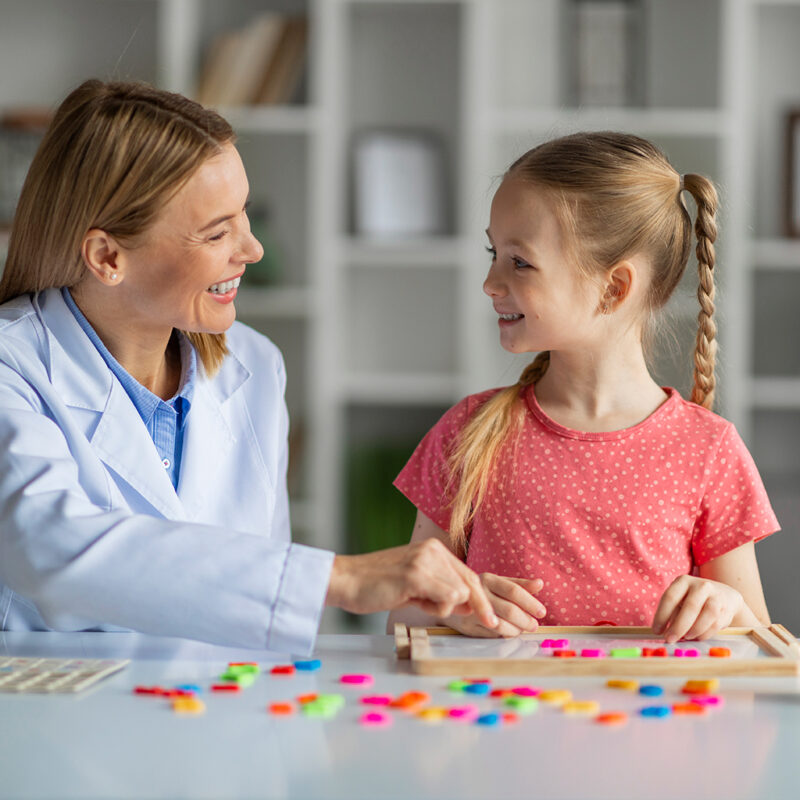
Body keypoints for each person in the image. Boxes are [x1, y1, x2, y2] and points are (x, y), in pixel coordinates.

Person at [0, 79, 499, 651]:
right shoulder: (12, 367)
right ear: (109, 257)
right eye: (218, 232)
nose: (253, 249)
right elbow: (51, 547)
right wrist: (342, 579)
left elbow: (258, 625)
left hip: (218, 719)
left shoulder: (254, 365)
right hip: (52, 726)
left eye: (245, 215)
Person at [388, 132, 779, 643]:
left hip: (653, 721)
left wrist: (727, 609)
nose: (490, 281)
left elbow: (762, 642)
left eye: (519, 261)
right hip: (499, 720)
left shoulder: (710, 449)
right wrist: (453, 607)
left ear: (614, 288)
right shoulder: (467, 431)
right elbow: (401, 619)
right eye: (493, 252)